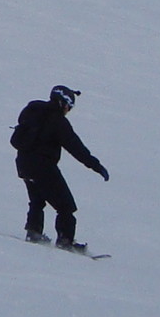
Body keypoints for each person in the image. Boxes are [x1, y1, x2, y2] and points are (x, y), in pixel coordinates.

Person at [11, 85, 107, 249]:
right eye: (69, 107)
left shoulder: (32, 110)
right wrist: (96, 166)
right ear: (63, 103)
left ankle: (33, 233)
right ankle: (65, 241)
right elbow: (76, 148)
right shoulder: (57, 121)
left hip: (23, 164)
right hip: (43, 167)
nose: (68, 111)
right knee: (65, 206)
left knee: (37, 200)